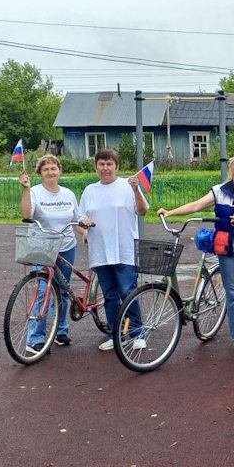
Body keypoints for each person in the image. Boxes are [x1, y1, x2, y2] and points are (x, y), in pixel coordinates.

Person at [158, 153, 234, 348]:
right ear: (232, 170)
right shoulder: (219, 192)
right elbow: (196, 205)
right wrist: (170, 212)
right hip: (227, 247)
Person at [79, 149, 149, 351]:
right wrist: (84, 223)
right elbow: (81, 216)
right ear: (96, 167)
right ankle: (116, 334)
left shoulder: (128, 187)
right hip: (100, 250)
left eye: (109, 164)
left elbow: (142, 210)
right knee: (109, 295)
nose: (105, 168)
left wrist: (136, 190)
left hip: (124, 249)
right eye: (101, 164)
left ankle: (137, 332)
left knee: (127, 292)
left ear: (116, 167)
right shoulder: (90, 191)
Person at [18, 155, 82, 351]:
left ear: (59, 171)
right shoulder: (35, 192)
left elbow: (76, 219)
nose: (50, 172)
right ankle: (35, 338)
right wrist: (26, 189)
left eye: (53, 168)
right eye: (46, 169)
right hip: (42, 246)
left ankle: (60, 330)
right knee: (43, 291)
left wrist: (85, 231)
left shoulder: (68, 194)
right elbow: (26, 214)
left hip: (66, 245)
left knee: (62, 290)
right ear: (40, 173)